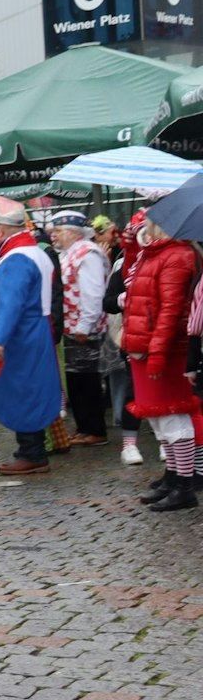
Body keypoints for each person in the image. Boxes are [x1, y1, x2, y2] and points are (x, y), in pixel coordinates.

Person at [0, 196, 64, 476]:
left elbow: (11, 303)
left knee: (23, 391)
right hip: (30, 333)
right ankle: (30, 450)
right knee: (29, 388)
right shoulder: (31, 252)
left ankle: (32, 452)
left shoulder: (17, 258)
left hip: (19, 338)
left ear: (0, 230)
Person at [124, 213, 202, 510]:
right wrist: (131, 247)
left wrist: (157, 352)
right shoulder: (154, 252)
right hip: (146, 344)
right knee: (159, 417)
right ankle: (173, 476)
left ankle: (184, 484)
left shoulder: (177, 255)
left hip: (165, 349)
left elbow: (170, 309)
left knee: (173, 417)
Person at [53, 211, 111, 446]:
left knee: (87, 380)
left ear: (72, 232)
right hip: (74, 326)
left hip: (85, 328)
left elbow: (93, 292)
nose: (53, 235)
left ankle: (95, 430)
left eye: (58, 230)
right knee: (76, 379)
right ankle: (84, 427)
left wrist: (85, 325)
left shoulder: (88, 253)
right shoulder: (71, 253)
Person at [103, 214, 145, 465]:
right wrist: (122, 299)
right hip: (131, 335)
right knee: (133, 390)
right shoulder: (122, 265)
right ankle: (129, 444)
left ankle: (168, 444)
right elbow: (107, 302)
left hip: (162, 336)